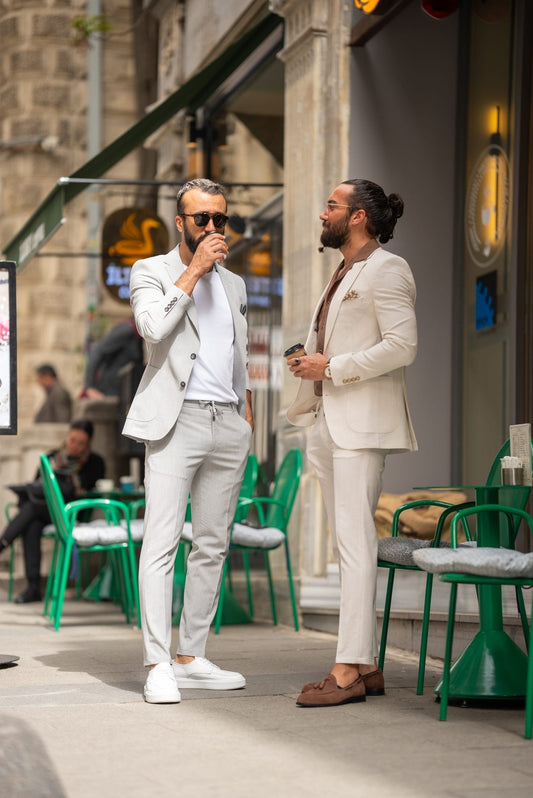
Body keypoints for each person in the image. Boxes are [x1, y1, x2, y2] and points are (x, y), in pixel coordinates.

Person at [286, 178, 418, 707]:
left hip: (360, 425)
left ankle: (346, 671)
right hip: (326, 419)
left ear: (359, 216)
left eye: (332, 206)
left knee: (356, 545)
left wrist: (333, 367)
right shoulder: (340, 272)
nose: (323, 214)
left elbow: (403, 345)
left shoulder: (389, 269)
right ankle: (365, 664)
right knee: (348, 548)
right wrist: (311, 366)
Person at [122, 178, 254, 704]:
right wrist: (194, 270)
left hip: (227, 424)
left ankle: (190, 655)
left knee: (213, 544)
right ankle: (157, 662)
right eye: (202, 219)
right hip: (176, 423)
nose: (212, 228)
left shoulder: (238, 286)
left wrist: (245, 418)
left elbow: (235, 356)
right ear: (181, 222)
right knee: (161, 543)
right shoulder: (150, 271)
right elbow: (152, 330)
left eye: (220, 219)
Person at [0, 419, 105, 603]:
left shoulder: (95, 462)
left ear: (88, 444)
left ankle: (3, 544)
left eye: (81, 443)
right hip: (46, 511)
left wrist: (63, 485)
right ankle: (33, 587)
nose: (74, 446)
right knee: (32, 521)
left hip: (71, 513)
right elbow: (36, 485)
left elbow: (83, 489)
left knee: (31, 510)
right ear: (67, 437)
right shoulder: (52, 458)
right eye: (72, 440)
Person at [83, 318, 144, 399]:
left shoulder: (139, 337)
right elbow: (97, 352)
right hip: (109, 396)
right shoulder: (126, 331)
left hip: (123, 396)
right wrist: (90, 387)